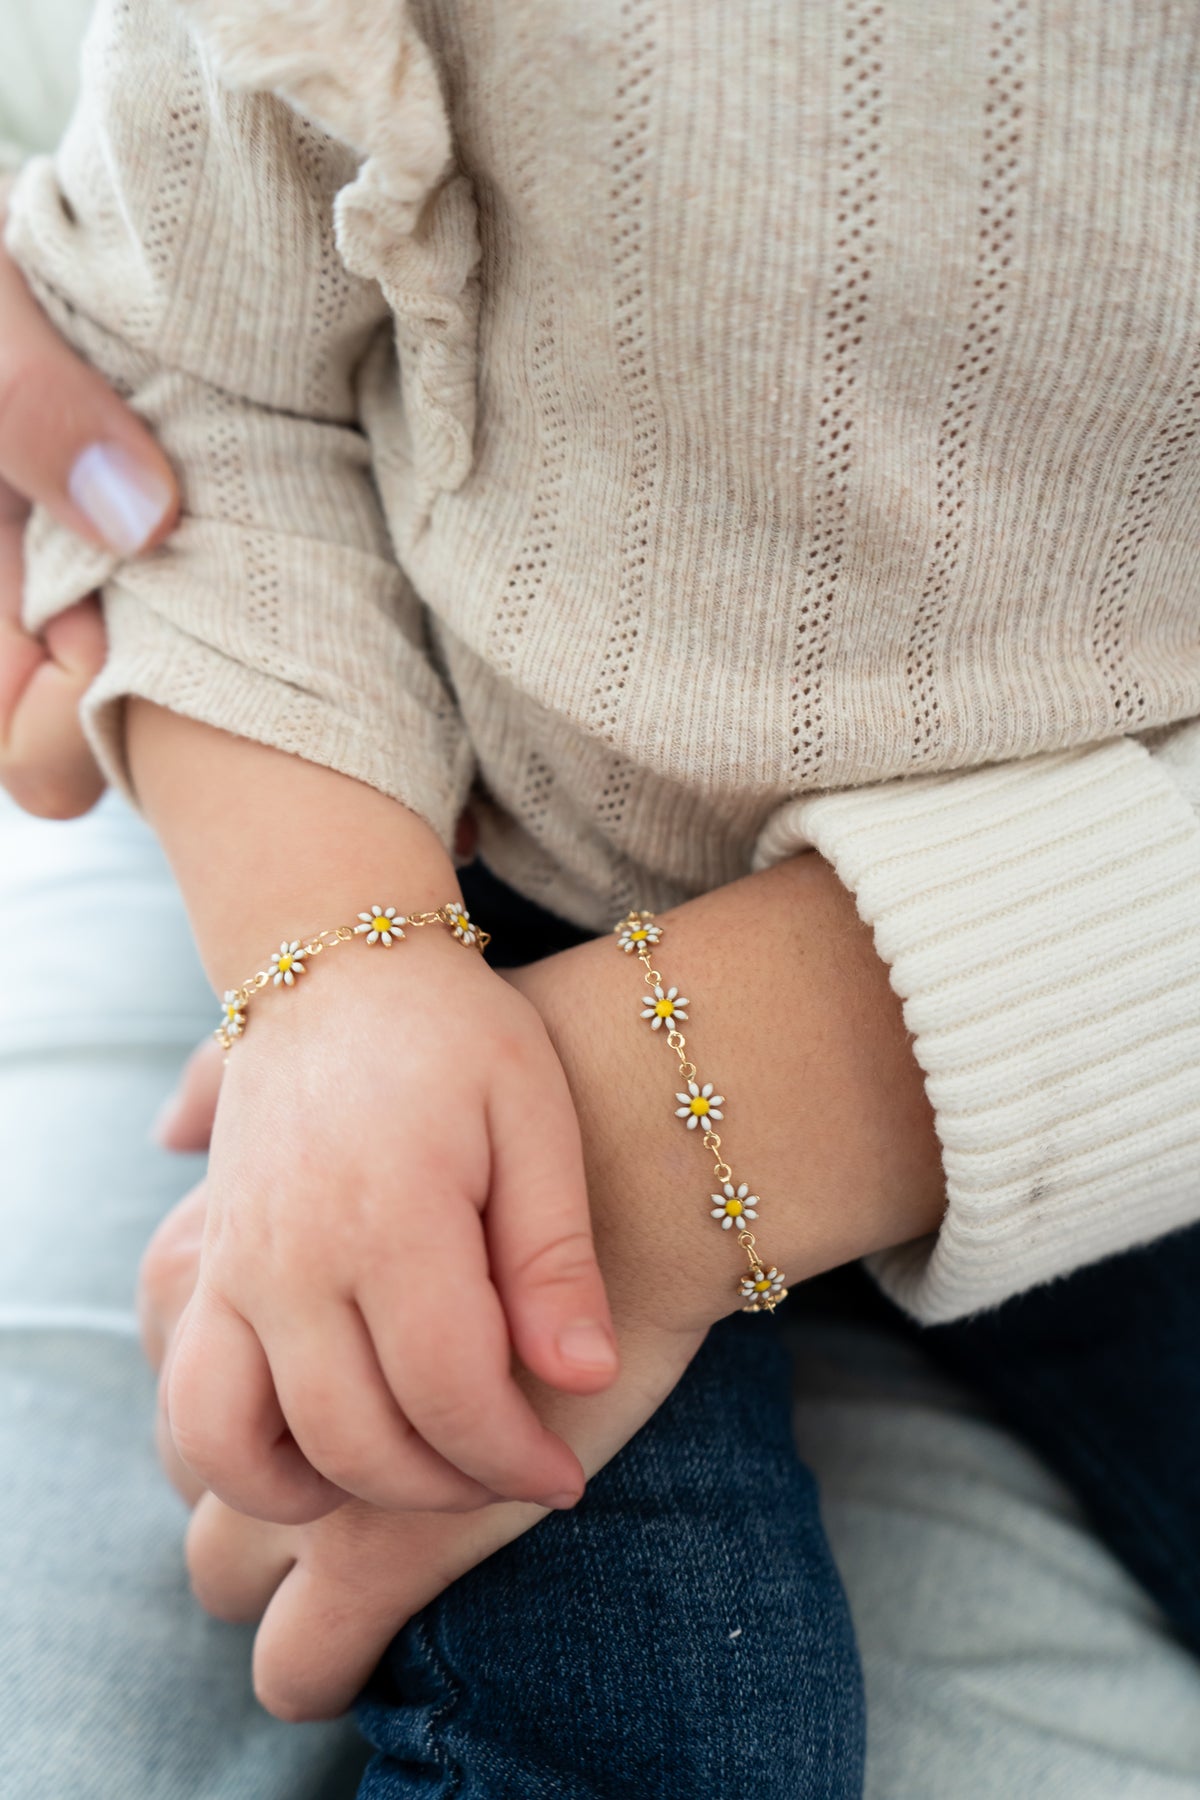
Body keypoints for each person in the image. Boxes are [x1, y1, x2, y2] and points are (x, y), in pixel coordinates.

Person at [4, 0, 1200, 1794]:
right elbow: (201, 373)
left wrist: (722, 1100)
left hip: (1138, 1002)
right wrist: (338, 966)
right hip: (468, 902)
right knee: (665, 1732)